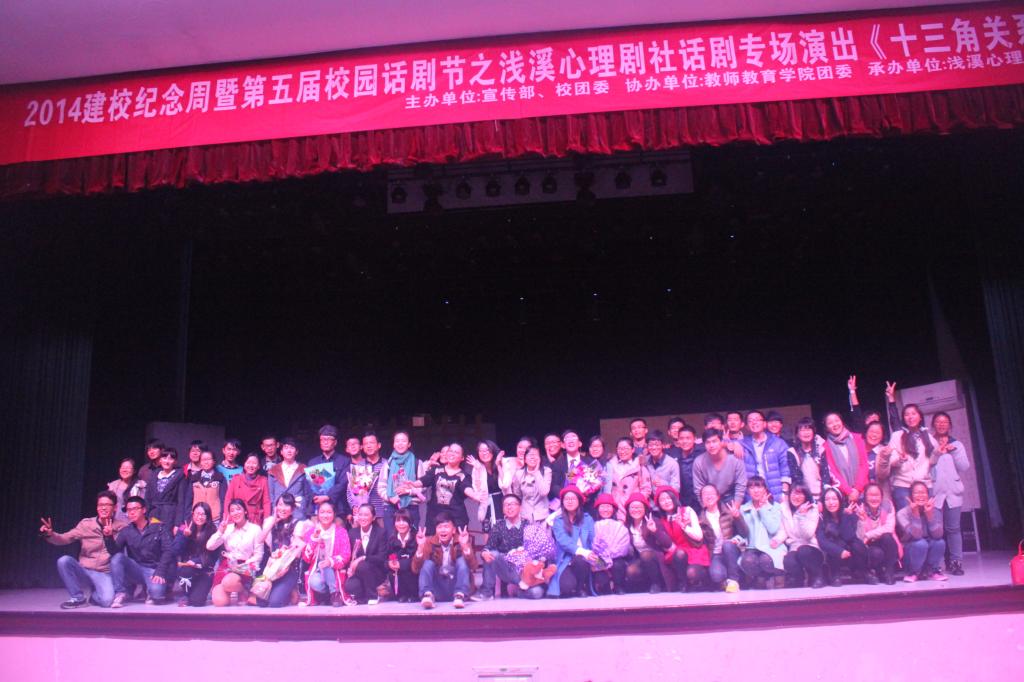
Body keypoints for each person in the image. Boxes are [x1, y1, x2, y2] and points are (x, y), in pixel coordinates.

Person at [40, 490, 126, 608]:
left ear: (115, 508)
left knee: (106, 601)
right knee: (64, 561)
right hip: (85, 570)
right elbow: (64, 538)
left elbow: (120, 553)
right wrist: (50, 534)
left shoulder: (121, 527)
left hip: (104, 573)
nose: (103, 508)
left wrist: (110, 535)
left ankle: (95, 594)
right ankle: (78, 598)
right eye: (100, 505)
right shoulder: (86, 524)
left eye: (107, 505)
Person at [403, 442, 485, 533]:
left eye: (456, 452)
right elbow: (424, 480)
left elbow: (466, 488)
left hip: (456, 518)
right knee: (431, 540)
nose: (452, 453)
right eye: (450, 451)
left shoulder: (463, 476)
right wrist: (413, 484)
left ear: (462, 458)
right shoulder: (436, 470)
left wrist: (474, 495)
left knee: (457, 540)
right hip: (434, 516)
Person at [110, 496, 176, 607]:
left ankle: (152, 590)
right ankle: (120, 593)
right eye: (129, 510)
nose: (131, 512)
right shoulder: (126, 531)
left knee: (157, 595)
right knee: (117, 558)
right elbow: (114, 551)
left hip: (154, 570)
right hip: (137, 569)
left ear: (144, 510)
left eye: (135, 509)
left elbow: (168, 551)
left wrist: (160, 571)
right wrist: (108, 537)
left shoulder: (158, 527)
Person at [929, 412, 970, 575]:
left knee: (954, 529)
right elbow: (926, 465)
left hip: (953, 493)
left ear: (950, 425)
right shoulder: (928, 443)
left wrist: (953, 452)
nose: (941, 424)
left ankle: (956, 563)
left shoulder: (957, 444)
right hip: (934, 494)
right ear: (933, 424)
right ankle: (936, 565)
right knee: (936, 531)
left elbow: (964, 467)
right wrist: (938, 452)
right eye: (938, 422)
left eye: (945, 422)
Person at [412, 511, 477, 609]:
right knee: (428, 563)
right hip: (438, 587)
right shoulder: (429, 542)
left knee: (462, 561)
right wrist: (420, 547)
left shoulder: (461, 540)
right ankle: (427, 595)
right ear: (436, 530)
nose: (443, 530)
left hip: (456, 585)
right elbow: (415, 569)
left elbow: (473, 566)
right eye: (439, 527)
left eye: (446, 527)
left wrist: (464, 546)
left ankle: (460, 596)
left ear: (453, 530)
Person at [206, 498, 265, 606]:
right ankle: (234, 590)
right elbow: (209, 546)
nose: (235, 513)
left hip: (245, 567)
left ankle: (244, 589)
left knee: (229, 582)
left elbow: (259, 555)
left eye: (238, 509)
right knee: (219, 602)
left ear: (245, 511)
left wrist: (245, 565)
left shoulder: (255, 529)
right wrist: (220, 531)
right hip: (227, 565)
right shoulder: (227, 529)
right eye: (232, 510)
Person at [473, 493, 529, 601]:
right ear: (502, 509)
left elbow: (535, 551)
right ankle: (487, 592)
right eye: (506, 505)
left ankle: (518, 590)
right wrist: (484, 552)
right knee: (491, 554)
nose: (509, 507)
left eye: (513, 504)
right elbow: (489, 546)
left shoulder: (527, 525)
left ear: (520, 507)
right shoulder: (499, 526)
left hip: (524, 570)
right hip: (505, 568)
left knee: (536, 593)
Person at [254, 493, 306, 608]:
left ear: (292, 509)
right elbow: (259, 540)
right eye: (280, 504)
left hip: (288, 569)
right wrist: (273, 521)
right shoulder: (269, 521)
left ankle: (291, 590)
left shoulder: (298, 524)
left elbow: (297, 552)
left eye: (286, 505)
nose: (282, 508)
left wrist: (286, 555)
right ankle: (284, 591)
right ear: (276, 506)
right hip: (270, 570)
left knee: (274, 603)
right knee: (261, 602)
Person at [653, 486, 709, 592]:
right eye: (662, 500)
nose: (666, 501)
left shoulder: (687, 511)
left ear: (674, 498)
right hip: (677, 555)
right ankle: (683, 583)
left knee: (692, 573)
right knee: (679, 554)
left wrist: (684, 526)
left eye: (668, 498)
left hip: (694, 550)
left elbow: (699, 536)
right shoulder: (662, 520)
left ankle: (704, 581)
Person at [738, 476, 786, 588]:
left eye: (759, 487)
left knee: (766, 560)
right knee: (747, 561)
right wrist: (738, 540)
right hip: (752, 548)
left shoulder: (775, 507)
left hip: (772, 546)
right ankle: (760, 579)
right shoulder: (743, 509)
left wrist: (762, 509)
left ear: (765, 489)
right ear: (748, 491)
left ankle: (777, 576)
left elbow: (773, 529)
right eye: (751, 488)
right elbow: (742, 532)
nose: (756, 491)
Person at [816, 487, 871, 585]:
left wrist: (844, 515)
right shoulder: (821, 518)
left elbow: (851, 537)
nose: (831, 502)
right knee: (834, 543)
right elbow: (822, 541)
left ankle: (864, 572)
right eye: (827, 499)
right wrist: (839, 551)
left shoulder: (847, 514)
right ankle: (835, 575)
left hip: (849, 552)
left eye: (834, 499)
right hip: (833, 553)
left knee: (857, 544)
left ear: (840, 501)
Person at [300, 501, 351, 606]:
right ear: (318, 514)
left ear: (334, 514)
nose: (325, 515)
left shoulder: (341, 532)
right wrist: (314, 540)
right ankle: (329, 595)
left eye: (329, 512)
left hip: (335, 570)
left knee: (327, 564)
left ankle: (335, 594)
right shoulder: (311, 532)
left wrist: (330, 561)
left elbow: (346, 554)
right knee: (313, 582)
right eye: (322, 512)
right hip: (319, 570)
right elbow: (306, 558)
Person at [549, 486, 596, 598]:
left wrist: (599, 560)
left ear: (579, 501)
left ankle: (581, 588)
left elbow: (593, 540)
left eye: (573, 498)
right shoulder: (558, 521)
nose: (569, 501)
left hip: (585, 559)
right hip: (565, 560)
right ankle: (575, 585)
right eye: (567, 499)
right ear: (562, 502)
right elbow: (563, 542)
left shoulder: (587, 519)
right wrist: (583, 552)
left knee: (602, 577)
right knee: (567, 587)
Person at [888, 404, 938, 510]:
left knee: (927, 516)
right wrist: (900, 459)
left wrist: (938, 453)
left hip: (924, 485)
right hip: (903, 485)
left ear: (920, 417)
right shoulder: (897, 436)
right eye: (907, 415)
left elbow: (932, 462)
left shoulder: (929, 437)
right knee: (906, 518)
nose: (910, 417)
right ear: (903, 418)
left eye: (913, 414)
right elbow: (891, 461)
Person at [698, 484, 745, 593]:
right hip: (716, 554)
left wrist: (738, 518)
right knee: (716, 576)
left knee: (727, 545)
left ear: (718, 496)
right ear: (701, 499)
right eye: (705, 494)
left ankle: (733, 580)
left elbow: (744, 533)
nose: (708, 496)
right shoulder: (700, 519)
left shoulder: (728, 512)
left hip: (732, 549)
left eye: (711, 493)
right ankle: (725, 581)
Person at [897, 481, 947, 582]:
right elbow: (917, 536)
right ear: (911, 496)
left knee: (940, 542)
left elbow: (938, 535)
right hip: (912, 551)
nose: (920, 495)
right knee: (921, 543)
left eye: (923, 492)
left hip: (929, 549)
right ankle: (913, 572)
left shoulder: (936, 511)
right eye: (916, 493)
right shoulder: (902, 513)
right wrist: (915, 515)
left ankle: (933, 571)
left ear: (928, 496)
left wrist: (930, 516)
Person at [621, 492, 669, 594]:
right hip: (640, 559)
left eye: (639, 507)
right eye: (633, 507)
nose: (636, 510)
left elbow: (667, 544)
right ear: (628, 510)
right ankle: (647, 584)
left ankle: (657, 583)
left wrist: (655, 531)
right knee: (631, 570)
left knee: (645, 554)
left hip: (657, 557)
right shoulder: (627, 526)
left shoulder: (653, 521)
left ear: (645, 509)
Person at [172, 501, 217, 606]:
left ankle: (197, 593)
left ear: (208, 516)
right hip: (187, 568)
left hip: (204, 569)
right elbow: (175, 550)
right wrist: (184, 536)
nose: (199, 517)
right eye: (197, 513)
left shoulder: (212, 530)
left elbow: (213, 556)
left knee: (197, 601)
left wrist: (196, 561)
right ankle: (186, 594)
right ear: (192, 514)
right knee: (185, 570)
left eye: (203, 514)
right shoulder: (184, 527)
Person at [780, 484, 826, 588]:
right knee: (788, 560)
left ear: (806, 496)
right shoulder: (784, 509)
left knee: (803, 551)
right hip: (794, 546)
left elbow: (808, 534)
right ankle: (799, 581)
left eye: (800, 494)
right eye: (794, 493)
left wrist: (801, 516)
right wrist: (777, 540)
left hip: (811, 547)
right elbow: (783, 530)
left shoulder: (813, 509)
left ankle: (817, 576)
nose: (796, 497)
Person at [740, 411, 791, 501]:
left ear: (764, 424)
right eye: (750, 421)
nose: (754, 423)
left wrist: (784, 493)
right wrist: (732, 444)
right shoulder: (743, 444)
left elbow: (785, 469)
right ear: (747, 426)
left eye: (757, 420)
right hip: (752, 495)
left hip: (776, 493)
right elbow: (724, 444)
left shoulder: (778, 443)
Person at [855, 482, 900, 585]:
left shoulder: (888, 505)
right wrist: (862, 520)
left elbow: (889, 528)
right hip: (868, 545)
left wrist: (869, 535)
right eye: (870, 495)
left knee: (887, 537)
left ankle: (889, 572)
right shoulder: (860, 508)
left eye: (877, 495)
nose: (874, 498)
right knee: (876, 553)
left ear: (881, 496)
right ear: (865, 497)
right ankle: (877, 572)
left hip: (884, 542)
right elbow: (860, 537)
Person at [820, 412, 870, 504]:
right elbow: (832, 471)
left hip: (863, 490)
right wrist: (849, 491)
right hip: (842, 494)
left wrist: (857, 489)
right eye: (830, 423)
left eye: (837, 420)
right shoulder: (825, 446)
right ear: (826, 428)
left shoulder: (857, 438)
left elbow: (864, 464)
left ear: (842, 422)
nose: (835, 424)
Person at [345, 504, 389, 605]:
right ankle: (364, 597)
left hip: (376, 571)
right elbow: (350, 555)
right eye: (360, 514)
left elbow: (382, 557)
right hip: (359, 572)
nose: (362, 517)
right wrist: (349, 568)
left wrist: (363, 558)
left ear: (373, 517)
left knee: (363, 565)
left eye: (366, 515)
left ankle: (373, 596)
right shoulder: (352, 533)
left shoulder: (381, 532)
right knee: (350, 586)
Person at [692, 429, 747, 505]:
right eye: (708, 442)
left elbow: (741, 485)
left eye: (714, 441)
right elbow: (699, 489)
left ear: (721, 442)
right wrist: (705, 508)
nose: (711, 445)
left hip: (730, 496)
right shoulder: (699, 462)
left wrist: (736, 507)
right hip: (709, 498)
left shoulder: (735, 459)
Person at [603, 436, 653, 521]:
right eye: (620, 449)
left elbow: (646, 489)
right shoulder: (610, 466)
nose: (622, 451)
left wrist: (636, 502)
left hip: (633, 511)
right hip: (615, 510)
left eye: (626, 448)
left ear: (633, 450)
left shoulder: (639, 467)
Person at [308, 424, 352, 519]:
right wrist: (315, 497)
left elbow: (343, 484)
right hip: (317, 508)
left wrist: (328, 496)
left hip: (338, 508)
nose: (325, 442)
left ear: (335, 442)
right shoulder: (313, 462)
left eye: (329, 439)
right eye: (323, 439)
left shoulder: (344, 461)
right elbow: (309, 485)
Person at [590, 493, 630, 595]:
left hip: (615, 558)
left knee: (618, 565)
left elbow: (624, 548)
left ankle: (618, 586)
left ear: (613, 509)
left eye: (608, 506)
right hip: (598, 559)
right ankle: (605, 585)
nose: (605, 510)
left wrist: (609, 556)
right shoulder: (592, 525)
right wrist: (602, 560)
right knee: (603, 584)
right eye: (602, 507)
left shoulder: (620, 526)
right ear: (597, 509)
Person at [380, 430, 419, 535]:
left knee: (412, 538)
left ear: (409, 444)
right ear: (393, 444)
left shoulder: (417, 463)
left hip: (411, 506)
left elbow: (423, 487)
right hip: (391, 506)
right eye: (397, 441)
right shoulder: (388, 464)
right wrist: (389, 498)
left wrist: (408, 491)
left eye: (403, 441)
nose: (400, 444)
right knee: (391, 538)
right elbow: (381, 487)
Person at [786, 417, 832, 502]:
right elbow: (796, 478)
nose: (806, 433)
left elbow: (826, 476)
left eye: (808, 429)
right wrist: (808, 499)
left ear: (813, 432)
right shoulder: (792, 452)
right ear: (797, 434)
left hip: (821, 496)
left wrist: (823, 497)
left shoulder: (821, 450)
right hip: (803, 497)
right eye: (802, 430)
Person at [267, 437, 312, 521]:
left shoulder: (304, 469)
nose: (289, 451)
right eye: (286, 448)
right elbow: (271, 495)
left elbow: (308, 494)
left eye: (292, 448)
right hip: (279, 513)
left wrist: (305, 511)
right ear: (281, 452)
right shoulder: (273, 470)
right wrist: (274, 511)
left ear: (296, 452)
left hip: (298, 513)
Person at [347, 432, 387, 524]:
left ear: (379, 445)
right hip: (362, 514)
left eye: (371, 443)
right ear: (362, 447)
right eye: (366, 444)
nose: (368, 446)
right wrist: (354, 506)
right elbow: (350, 491)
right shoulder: (358, 466)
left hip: (382, 513)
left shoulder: (387, 464)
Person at [224, 453, 272, 525]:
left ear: (258, 466)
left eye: (254, 463)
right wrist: (228, 519)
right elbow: (228, 499)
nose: (251, 465)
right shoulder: (236, 479)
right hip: (237, 518)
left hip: (254, 520)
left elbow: (266, 502)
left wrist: (267, 521)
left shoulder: (263, 480)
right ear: (244, 464)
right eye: (248, 462)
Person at [509, 445, 553, 523]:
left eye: (535, 454)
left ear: (540, 458)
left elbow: (544, 492)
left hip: (543, 516)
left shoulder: (547, 471)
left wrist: (536, 472)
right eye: (529, 455)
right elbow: (517, 496)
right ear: (525, 459)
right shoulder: (519, 474)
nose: (532, 457)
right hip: (525, 516)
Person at [147, 447, 188, 529]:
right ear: (160, 460)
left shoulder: (180, 476)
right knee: (153, 535)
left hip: (170, 515)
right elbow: (147, 498)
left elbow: (181, 502)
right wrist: (147, 515)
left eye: (171, 459)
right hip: (154, 515)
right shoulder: (154, 475)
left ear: (175, 461)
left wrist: (177, 524)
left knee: (167, 536)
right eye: (164, 458)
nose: (167, 461)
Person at [470, 439, 504, 533]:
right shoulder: (477, 467)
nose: (484, 453)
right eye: (481, 451)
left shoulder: (502, 463)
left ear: (493, 450)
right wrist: (478, 470)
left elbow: (505, 484)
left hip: (502, 501)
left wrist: (498, 465)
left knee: (504, 530)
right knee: (487, 531)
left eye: (487, 450)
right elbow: (477, 489)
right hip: (486, 502)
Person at [185, 448, 227, 523]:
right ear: (200, 462)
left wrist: (222, 518)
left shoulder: (220, 478)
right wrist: (188, 518)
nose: (206, 462)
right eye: (203, 460)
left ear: (214, 461)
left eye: (209, 459)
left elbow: (223, 499)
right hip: (197, 519)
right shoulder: (194, 478)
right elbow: (188, 500)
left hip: (215, 519)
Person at [385, 510, 418, 602]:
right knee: (392, 573)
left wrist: (402, 564)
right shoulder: (391, 539)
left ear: (410, 523)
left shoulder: (416, 537)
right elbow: (385, 559)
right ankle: (401, 595)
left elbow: (418, 560)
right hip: (397, 575)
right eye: (398, 521)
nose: (401, 524)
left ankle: (414, 595)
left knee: (408, 570)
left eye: (404, 520)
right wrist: (389, 563)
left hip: (413, 574)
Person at [671, 426, 703, 511]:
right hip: (683, 501)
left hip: (701, 499)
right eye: (681, 438)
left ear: (694, 439)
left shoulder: (702, 453)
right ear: (678, 440)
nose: (684, 441)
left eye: (688, 438)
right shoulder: (673, 455)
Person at [108, 458, 146, 523]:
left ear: (134, 471)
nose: (124, 470)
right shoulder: (113, 486)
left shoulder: (140, 485)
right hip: (116, 523)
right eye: (122, 467)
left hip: (134, 523)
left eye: (128, 468)